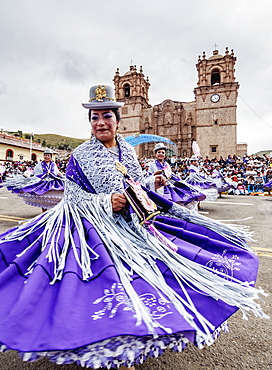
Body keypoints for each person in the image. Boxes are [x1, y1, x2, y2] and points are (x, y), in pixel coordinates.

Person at [0, 85, 267, 370]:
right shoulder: (80, 155)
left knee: (156, 273)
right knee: (104, 283)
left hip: (131, 224)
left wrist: (154, 184)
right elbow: (73, 196)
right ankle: (109, 341)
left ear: (117, 119)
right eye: (94, 117)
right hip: (93, 224)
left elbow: (136, 185)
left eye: (106, 116)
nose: (100, 122)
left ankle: (135, 336)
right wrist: (105, 202)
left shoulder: (128, 151)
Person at [148, 143, 206, 209]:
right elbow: (150, 176)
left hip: (166, 184)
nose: (161, 154)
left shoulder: (166, 164)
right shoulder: (152, 164)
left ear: (165, 154)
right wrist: (158, 173)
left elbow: (169, 174)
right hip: (157, 186)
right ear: (155, 154)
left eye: (163, 152)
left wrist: (174, 176)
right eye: (159, 152)